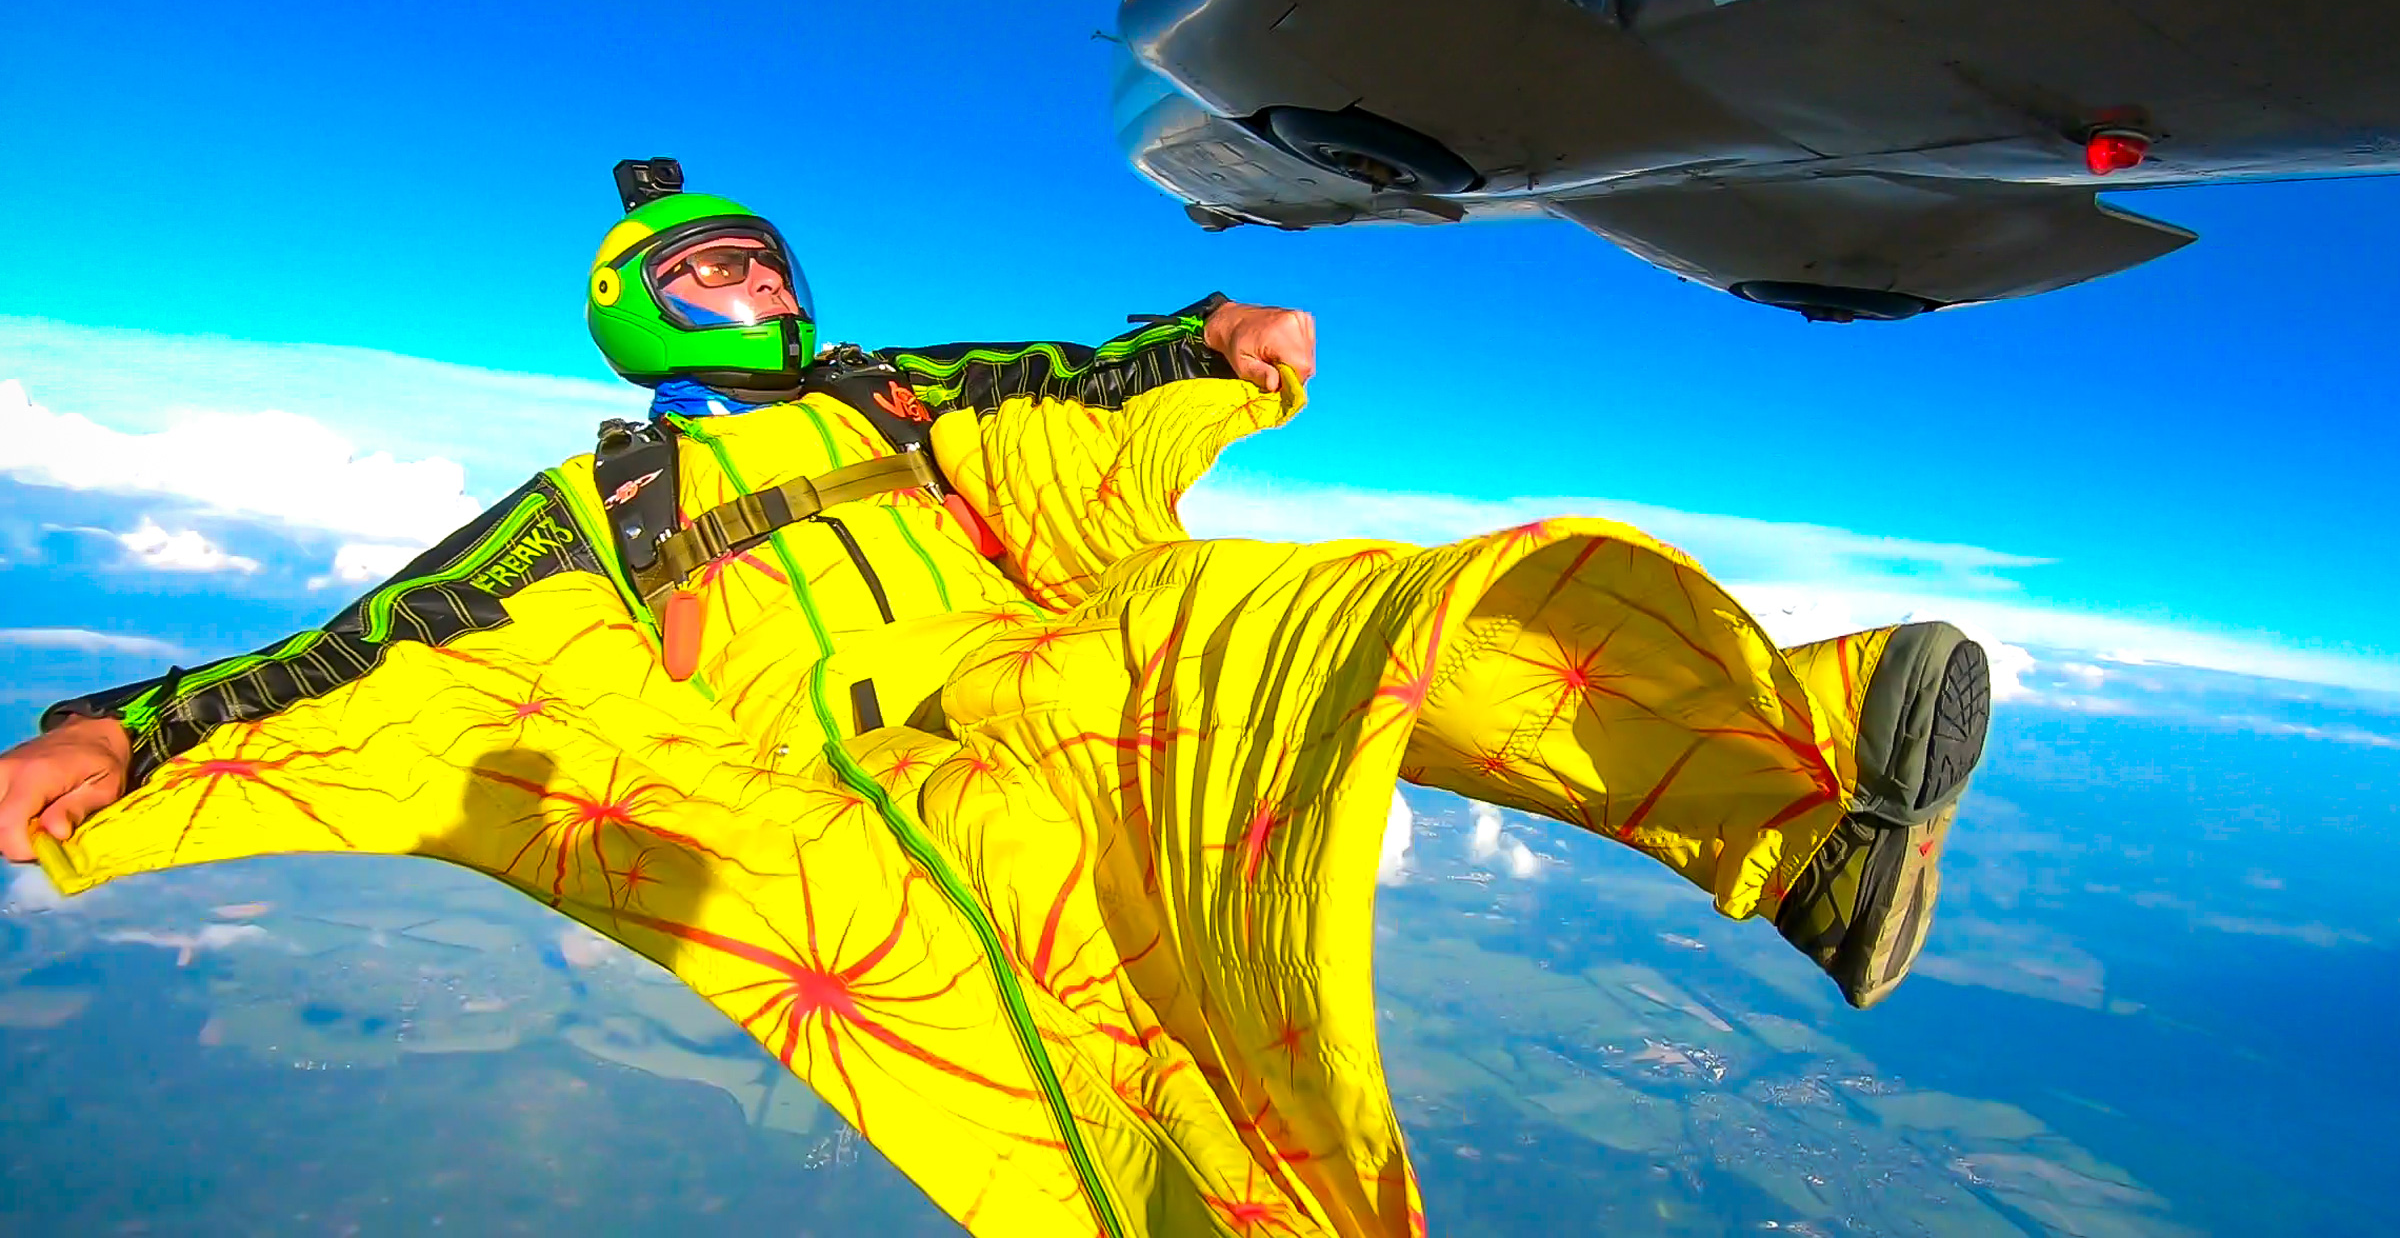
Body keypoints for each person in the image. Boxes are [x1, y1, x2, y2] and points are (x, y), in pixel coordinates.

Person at [0, 159, 1990, 1238]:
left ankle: (1802, 807)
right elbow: (369, 651)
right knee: (1016, 970)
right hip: (824, 772)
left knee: (1310, 626)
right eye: (711, 277)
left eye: (767, 262)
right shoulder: (596, 507)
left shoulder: (888, 388)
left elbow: (1059, 387)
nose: (760, 291)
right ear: (631, 307)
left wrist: (1211, 343)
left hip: (1027, 664)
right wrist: (130, 731)